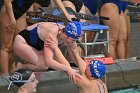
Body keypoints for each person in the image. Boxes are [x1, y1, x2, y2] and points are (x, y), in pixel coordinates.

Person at [0, 0, 76, 75]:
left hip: (22, 12)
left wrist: (66, 14)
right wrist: (12, 19)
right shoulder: (53, 31)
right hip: (9, 11)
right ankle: (4, 75)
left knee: (14, 47)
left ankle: (12, 70)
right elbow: (7, 1)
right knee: (7, 47)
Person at [13, 21, 83, 83]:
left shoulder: (71, 36)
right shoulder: (52, 35)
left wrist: (83, 71)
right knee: (43, 66)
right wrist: (68, 69)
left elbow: (75, 59)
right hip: (22, 42)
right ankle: (20, 66)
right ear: (65, 35)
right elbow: (49, 62)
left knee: (57, 63)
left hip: (37, 45)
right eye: (72, 40)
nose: (73, 42)